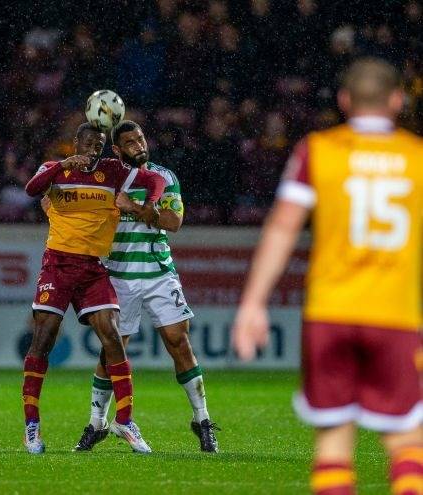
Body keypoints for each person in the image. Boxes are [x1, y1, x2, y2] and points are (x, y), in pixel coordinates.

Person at [232, 58, 422, 495]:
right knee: (407, 439)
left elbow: (283, 227)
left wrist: (253, 303)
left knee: (334, 442)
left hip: (330, 314)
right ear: (398, 100)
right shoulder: (416, 157)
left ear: (344, 101)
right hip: (394, 315)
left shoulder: (318, 150)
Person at [71, 120, 220, 453]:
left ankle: (202, 419)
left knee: (178, 340)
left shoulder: (163, 177)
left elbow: (174, 222)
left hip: (159, 274)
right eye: (131, 142)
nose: (139, 145)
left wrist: (135, 208)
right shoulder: (107, 178)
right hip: (118, 275)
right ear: (117, 149)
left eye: (140, 139)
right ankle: (97, 422)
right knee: (112, 349)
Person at [22, 122, 165, 455]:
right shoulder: (54, 168)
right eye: (88, 144)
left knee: (113, 337)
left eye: (99, 145)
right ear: (76, 143)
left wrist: (151, 203)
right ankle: (32, 426)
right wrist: (62, 165)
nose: (93, 150)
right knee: (43, 339)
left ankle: (125, 421)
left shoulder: (113, 171)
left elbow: (155, 180)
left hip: (92, 268)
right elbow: (32, 189)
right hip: (57, 265)